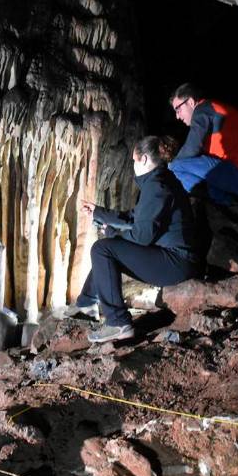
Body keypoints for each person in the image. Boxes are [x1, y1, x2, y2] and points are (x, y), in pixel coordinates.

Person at [69, 136, 199, 344]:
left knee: (102, 250)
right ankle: (86, 302)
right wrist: (98, 213)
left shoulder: (157, 187)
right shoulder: (161, 180)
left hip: (176, 263)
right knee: (108, 250)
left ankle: (119, 323)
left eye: (134, 161)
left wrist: (112, 235)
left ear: (145, 159)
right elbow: (134, 216)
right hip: (177, 258)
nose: (133, 166)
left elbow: (141, 236)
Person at [168, 83, 238, 206]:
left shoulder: (203, 110)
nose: (177, 116)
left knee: (175, 166)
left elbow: (192, 148)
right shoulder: (213, 110)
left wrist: (169, 167)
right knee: (199, 163)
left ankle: (208, 202)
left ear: (190, 102)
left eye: (178, 109)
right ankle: (224, 202)